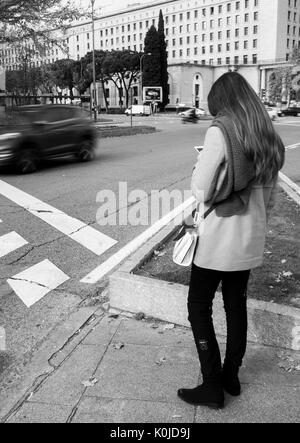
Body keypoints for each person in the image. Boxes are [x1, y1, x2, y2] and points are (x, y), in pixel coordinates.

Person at [177, 72, 285, 410]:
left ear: (222, 102)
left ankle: (211, 386)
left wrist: (200, 164)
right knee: (235, 305)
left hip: (218, 238)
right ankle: (230, 376)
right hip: (249, 239)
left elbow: (201, 188)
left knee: (198, 306)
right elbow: (269, 199)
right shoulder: (266, 135)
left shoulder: (220, 132)